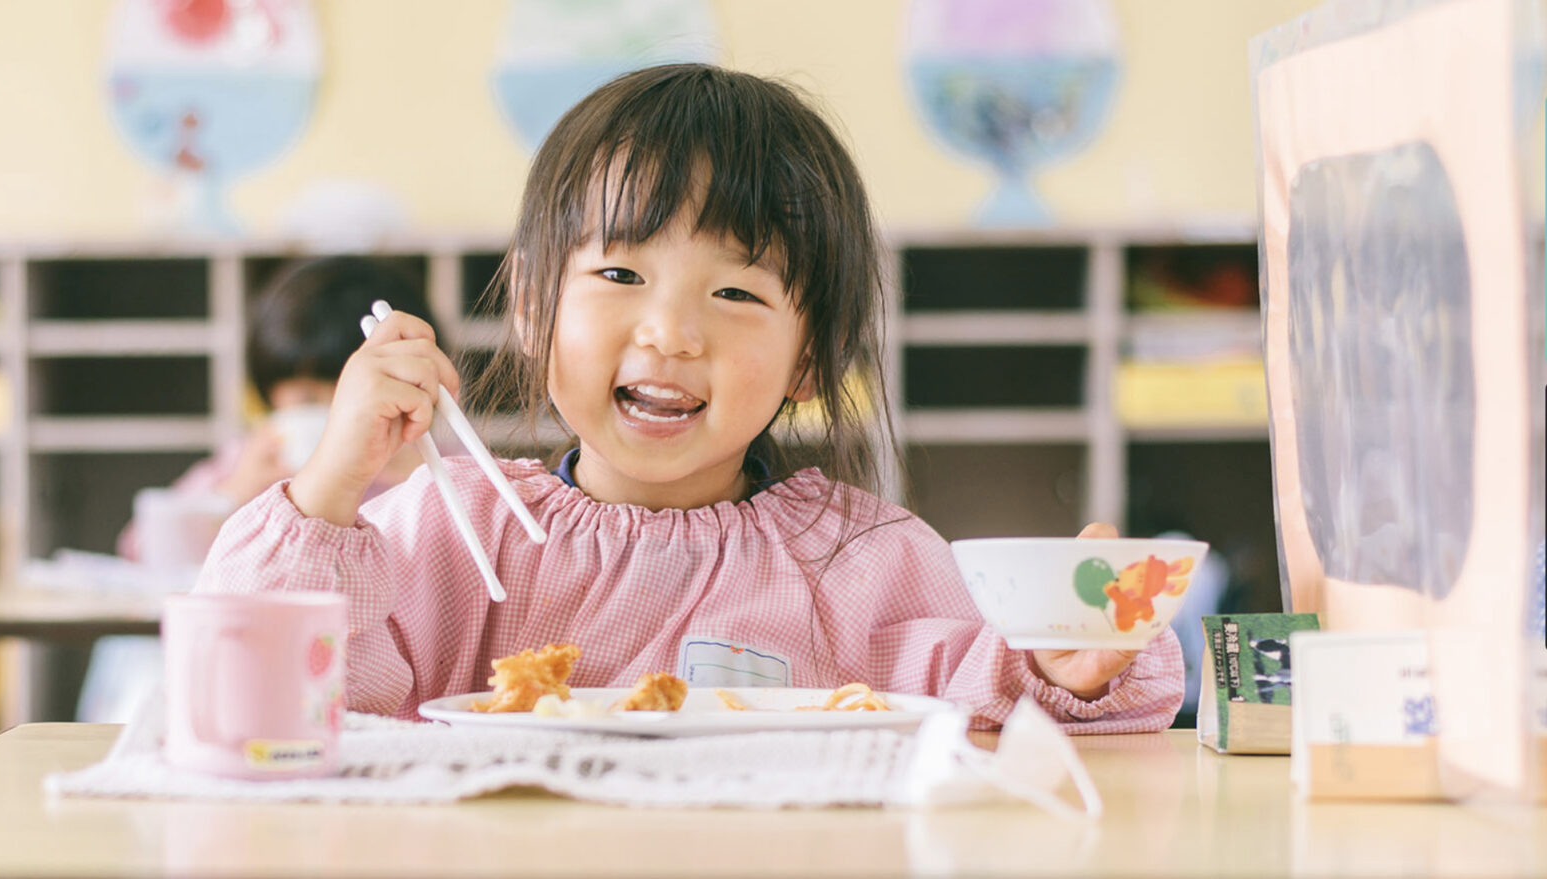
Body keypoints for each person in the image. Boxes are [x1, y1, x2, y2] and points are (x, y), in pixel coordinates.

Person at [196, 64, 1182, 733]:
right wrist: (329, 487)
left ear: (810, 361)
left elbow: (991, 722)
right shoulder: (454, 535)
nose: (670, 331)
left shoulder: (862, 564)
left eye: (737, 292)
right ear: (536, 313)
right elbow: (259, 710)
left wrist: (1070, 662)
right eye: (619, 278)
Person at [76, 256, 437, 723]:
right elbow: (143, 548)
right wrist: (237, 491)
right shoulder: (254, 459)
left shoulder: (437, 468)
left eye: (346, 389)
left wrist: (407, 467)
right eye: (305, 399)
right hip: (263, 666)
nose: (333, 409)